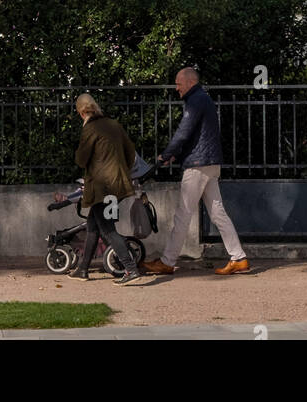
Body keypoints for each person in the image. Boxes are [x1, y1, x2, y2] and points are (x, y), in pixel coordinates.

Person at [142, 66, 249, 276]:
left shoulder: (195, 100)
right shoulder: (203, 98)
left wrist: (166, 154)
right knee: (218, 213)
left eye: (178, 84)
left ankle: (167, 261)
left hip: (198, 166)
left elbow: (184, 132)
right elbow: (198, 137)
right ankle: (239, 258)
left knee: (183, 214)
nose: (176, 88)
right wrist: (178, 156)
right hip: (210, 163)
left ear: (190, 82)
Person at [69, 93, 142, 284]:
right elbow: (130, 151)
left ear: (81, 112)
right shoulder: (113, 125)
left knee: (108, 229)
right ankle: (83, 269)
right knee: (93, 226)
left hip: (103, 187)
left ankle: (131, 268)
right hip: (117, 184)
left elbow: (81, 159)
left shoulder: (90, 129)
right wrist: (121, 169)